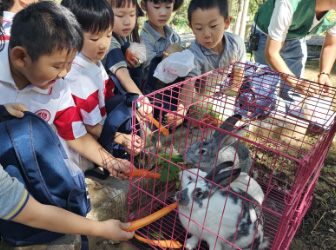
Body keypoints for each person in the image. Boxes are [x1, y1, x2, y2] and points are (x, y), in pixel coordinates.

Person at [0, 1, 131, 178]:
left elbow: (75, 134)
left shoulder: (58, 87)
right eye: (58, 66)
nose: (64, 73)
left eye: (70, 63)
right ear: (20, 57)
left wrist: (111, 162)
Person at [60, 0, 143, 170]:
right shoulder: (80, 76)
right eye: (95, 38)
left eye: (108, 34)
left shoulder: (92, 60)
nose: (104, 44)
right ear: (71, 35)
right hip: (83, 155)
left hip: (96, 134)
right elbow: (91, 126)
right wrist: (120, 137)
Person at [165, 0, 246, 127]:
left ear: (227, 22)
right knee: (201, 116)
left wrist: (227, 99)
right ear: (191, 28)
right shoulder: (194, 53)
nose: (207, 34)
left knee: (229, 118)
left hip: (221, 95)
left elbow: (237, 78)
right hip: (199, 97)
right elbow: (189, 86)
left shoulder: (236, 44)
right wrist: (181, 110)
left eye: (213, 26)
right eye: (199, 28)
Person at [252, 0, 336, 112]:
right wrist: (296, 83)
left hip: (296, 37)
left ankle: (288, 123)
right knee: (264, 88)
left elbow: (331, 45)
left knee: (291, 93)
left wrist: (324, 73)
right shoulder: (289, 3)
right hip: (265, 33)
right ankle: (258, 120)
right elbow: (271, 53)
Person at [105, 0, 152, 122]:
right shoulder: (109, 42)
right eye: (120, 16)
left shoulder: (121, 36)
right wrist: (141, 99)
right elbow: (123, 76)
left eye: (132, 15)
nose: (127, 22)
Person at [140, 0, 184, 84]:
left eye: (168, 7)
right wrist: (169, 54)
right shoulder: (144, 40)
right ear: (144, 6)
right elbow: (156, 76)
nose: (163, 13)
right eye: (157, 7)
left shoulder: (172, 34)